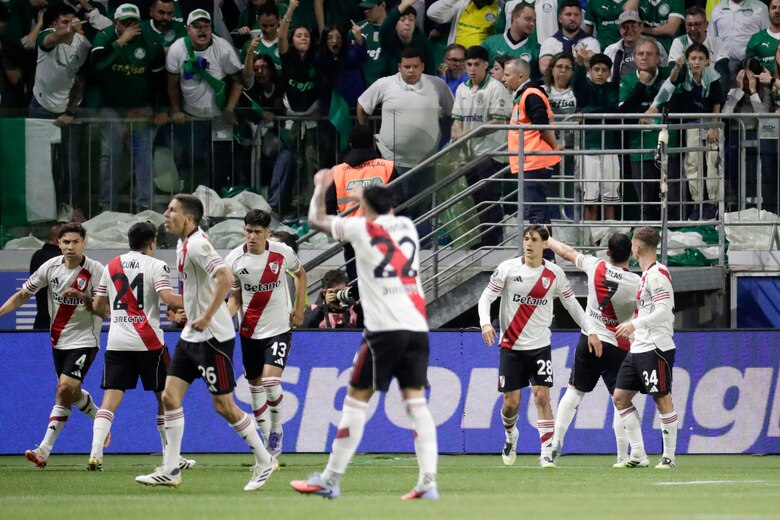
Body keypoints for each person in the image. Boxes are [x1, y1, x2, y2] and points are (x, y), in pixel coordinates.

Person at [291, 174, 439, 500]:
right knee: (416, 404)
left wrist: (319, 186)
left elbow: (316, 220)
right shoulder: (408, 227)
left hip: (384, 330)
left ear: (364, 208)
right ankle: (428, 481)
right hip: (416, 327)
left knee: (355, 402)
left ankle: (330, 479)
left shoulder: (361, 228)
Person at [135, 194, 278, 490]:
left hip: (213, 337)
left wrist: (206, 316)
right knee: (169, 396)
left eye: (172, 210)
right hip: (191, 335)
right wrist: (189, 311)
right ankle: (171, 469)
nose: (166, 215)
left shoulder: (198, 244)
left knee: (224, 406)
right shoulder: (182, 243)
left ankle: (264, 460)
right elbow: (201, 288)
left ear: (188, 218)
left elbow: (225, 278)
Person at [478, 224, 597, 468]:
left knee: (542, 397)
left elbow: (572, 305)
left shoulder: (554, 274)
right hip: (511, 345)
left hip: (540, 346)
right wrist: (485, 323)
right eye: (526, 239)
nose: (528, 244)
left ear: (545, 243)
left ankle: (545, 452)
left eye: (533, 240)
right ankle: (511, 436)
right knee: (511, 404)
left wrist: (591, 329)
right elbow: (486, 297)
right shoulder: (508, 269)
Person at [88, 222, 195, 471]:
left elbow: (97, 306)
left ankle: (95, 454)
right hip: (149, 343)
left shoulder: (111, 266)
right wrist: (198, 301)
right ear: (152, 243)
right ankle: (170, 457)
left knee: (110, 400)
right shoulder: (157, 265)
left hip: (117, 342)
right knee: (166, 399)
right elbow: (168, 299)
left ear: (129, 242)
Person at [0, 222, 104, 469]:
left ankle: (44, 449)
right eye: (66, 242)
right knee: (71, 393)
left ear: (84, 243)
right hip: (58, 341)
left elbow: (105, 310)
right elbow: (23, 295)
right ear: (58, 243)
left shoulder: (96, 271)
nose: (70, 247)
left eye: (75, 242)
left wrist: (86, 299)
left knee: (63, 388)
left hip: (85, 340)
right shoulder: (50, 267)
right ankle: (102, 420)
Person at [545, 233, 640, 467]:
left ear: (607, 253)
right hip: (617, 346)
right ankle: (621, 455)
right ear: (631, 254)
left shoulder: (595, 265)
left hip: (589, 338)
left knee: (574, 391)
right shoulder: (637, 283)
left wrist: (548, 240)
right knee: (621, 401)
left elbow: (567, 252)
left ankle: (556, 442)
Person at [225, 209, 306, 458]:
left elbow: (300, 275)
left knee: (271, 381)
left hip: (279, 328)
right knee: (255, 386)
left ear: (267, 233)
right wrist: (223, 320)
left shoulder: (282, 253)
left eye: (257, 232)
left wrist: (299, 308)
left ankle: (277, 430)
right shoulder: (233, 260)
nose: (251, 236)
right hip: (249, 330)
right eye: (248, 231)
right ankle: (264, 439)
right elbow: (235, 297)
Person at [357, 46, 453, 234]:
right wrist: (367, 135)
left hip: (426, 161)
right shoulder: (384, 84)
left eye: (415, 66)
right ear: (399, 67)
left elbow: (452, 112)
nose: (411, 70)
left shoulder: (437, 85)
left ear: (422, 66)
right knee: (393, 209)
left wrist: (444, 138)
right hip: (392, 161)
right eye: (407, 66)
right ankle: (395, 251)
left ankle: (422, 252)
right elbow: (362, 106)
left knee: (423, 210)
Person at [613, 227, 679, 469]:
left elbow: (663, 310)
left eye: (633, 244)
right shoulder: (646, 274)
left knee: (662, 399)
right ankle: (639, 453)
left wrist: (634, 323)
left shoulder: (657, 274)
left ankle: (669, 457)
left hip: (656, 347)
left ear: (637, 247)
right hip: (638, 348)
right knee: (620, 397)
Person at [91, 3, 166, 213]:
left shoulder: (150, 41)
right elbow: (95, 62)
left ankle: (145, 205)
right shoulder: (104, 36)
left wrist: (160, 109)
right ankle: (107, 206)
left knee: (143, 153)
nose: (131, 26)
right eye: (126, 23)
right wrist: (120, 42)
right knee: (110, 153)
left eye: (134, 22)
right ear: (116, 23)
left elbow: (159, 79)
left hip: (141, 106)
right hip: (111, 105)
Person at [166, 9, 246, 192]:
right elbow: (172, 83)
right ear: (188, 29)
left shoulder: (223, 49)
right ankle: (191, 203)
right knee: (190, 163)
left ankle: (218, 205)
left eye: (206, 26)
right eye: (197, 27)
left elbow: (238, 81)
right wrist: (176, 109)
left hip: (218, 119)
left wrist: (229, 109)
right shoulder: (177, 49)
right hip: (190, 118)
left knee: (220, 165)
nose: (202, 30)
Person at [28, 6, 90, 222]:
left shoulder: (82, 44)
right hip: (41, 106)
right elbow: (52, 39)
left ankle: (70, 207)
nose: (70, 26)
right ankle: (40, 213)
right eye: (64, 22)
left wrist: (71, 111)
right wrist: (68, 30)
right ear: (53, 24)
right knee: (41, 163)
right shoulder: (46, 36)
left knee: (71, 163)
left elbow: (80, 80)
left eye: (73, 21)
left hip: (67, 110)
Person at [648, 44, 724, 220]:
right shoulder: (683, 73)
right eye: (693, 58)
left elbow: (716, 104)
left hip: (710, 124)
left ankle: (712, 204)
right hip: (691, 124)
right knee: (692, 163)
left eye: (700, 59)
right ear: (688, 60)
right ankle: (697, 204)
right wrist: (676, 67)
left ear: (706, 61)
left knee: (713, 163)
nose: (696, 62)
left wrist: (714, 127)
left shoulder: (713, 78)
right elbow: (672, 82)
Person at [451, 44, 513, 247]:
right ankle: (480, 241)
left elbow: (499, 121)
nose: (472, 69)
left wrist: (466, 134)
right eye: (468, 64)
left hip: (491, 154)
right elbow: (457, 119)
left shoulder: (496, 88)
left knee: (489, 200)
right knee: (475, 201)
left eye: (477, 64)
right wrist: (456, 135)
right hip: (468, 156)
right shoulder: (462, 88)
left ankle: (492, 243)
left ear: (486, 65)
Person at [326, 124, 400, 281]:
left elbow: (329, 206)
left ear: (350, 145)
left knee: (356, 281)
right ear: (373, 143)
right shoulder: (387, 167)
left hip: (351, 234)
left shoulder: (337, 172)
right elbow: (399, 202)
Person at [618, 37, 681, 221]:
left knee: (671, 201)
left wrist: (653, 110)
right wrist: (642, 86)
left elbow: (676, 103)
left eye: (649, 54)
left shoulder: (669, 78)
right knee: (646, 204)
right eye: (640, 54)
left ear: (658, 58)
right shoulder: (628, 80)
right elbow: (624, 111)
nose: (644, 58)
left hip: (669, 148)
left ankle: (671, 243)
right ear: (635, 58)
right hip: (640, 149)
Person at [502, 57, 560, 228]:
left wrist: (554, 147)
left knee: (536, 213)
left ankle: (546, 254)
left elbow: (542, 125)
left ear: (520, 77)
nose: (503, 79)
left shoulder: (530, 95)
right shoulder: (525, 95)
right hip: (530, 161)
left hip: (535, 161)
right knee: (535, 212)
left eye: (507, 75)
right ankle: (545, 252)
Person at [572, 51, 622, 221]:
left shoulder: (613, 88)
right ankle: (589, 244)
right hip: (588, 150)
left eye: (604, 70)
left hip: (610, 149)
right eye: (596, 69)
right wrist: (579, 64)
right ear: (590, 71)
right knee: (590, 199)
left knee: (610, 199)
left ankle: (611, 241)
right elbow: (577, 84)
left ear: (609, 72)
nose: (600, 73)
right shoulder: (585, 86)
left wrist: (586, 112)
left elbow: (613, 109)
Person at [668, 6, 729, 92]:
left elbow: (723, 75)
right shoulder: (679, 42)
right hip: (684, 95)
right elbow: (675, 79)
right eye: (689, 25)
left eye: (697, 24)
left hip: (711, 94)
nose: (692, 29)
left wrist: (717, 100)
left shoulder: (717, 43)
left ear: (706, 25)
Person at [538, 0, 600, 76]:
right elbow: (545, 68)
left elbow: (595, 69)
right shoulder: (549, 42)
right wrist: (579, 61)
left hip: (583, 86)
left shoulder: (591, 42)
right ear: (560, 18)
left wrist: (557, 64)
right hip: (555, 86)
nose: (572, 18)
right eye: (568, 14)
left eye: (576, 15)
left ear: (581, 17)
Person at [604, 10, 668, 81]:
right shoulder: (611, 50)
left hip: (650, 89)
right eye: (625, 27)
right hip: (620, 90)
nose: (629, 30)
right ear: (620, 30)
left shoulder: (656, 46)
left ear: (641, 27)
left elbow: (665, 70)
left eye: (633, 26)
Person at [482, 2, 539, 80]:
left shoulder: (536, 49)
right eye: (528, 19)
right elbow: (478, 69)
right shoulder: (490, 43)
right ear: (515, 18)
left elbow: (537, 80)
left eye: (534, 21)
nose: (532, 24)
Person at [709, 0, 768, 76]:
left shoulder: (761, 8)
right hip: (723, 67)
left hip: (751, 67)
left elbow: (767, 38)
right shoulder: (717, 9)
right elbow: (711, 40)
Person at [379, 0, 436, 76]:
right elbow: (384, 29)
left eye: (411, 20)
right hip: (391, 84)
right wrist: (404, 4)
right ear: (395, 25)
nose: (407, 23)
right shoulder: (389, 40)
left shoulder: (424, 43)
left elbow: (430, 73)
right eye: (402, 20)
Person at [30, 223, 65, 330]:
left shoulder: (37, 256)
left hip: (42, 320)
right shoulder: (63, 259)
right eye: (68, 241)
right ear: (57, 240)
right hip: (63, 324)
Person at [426, 0, 500, 48]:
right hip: (456, 59)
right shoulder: (462, 5)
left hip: (480, 62)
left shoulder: (501, 9)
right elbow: (432, 14)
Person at [351, 0, 388, 86]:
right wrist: (359, 42)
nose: (366, 11)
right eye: (364, 8)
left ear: (382, 5)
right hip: (364, 89)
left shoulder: (396, 28)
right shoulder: (356, 30)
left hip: (389, 88)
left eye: (370, 8)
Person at [745, 0, 780, 73]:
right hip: (764, 84)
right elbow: (749, 71)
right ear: (768, 11)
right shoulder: (756, 39)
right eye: (773, 7)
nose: (777, 11)